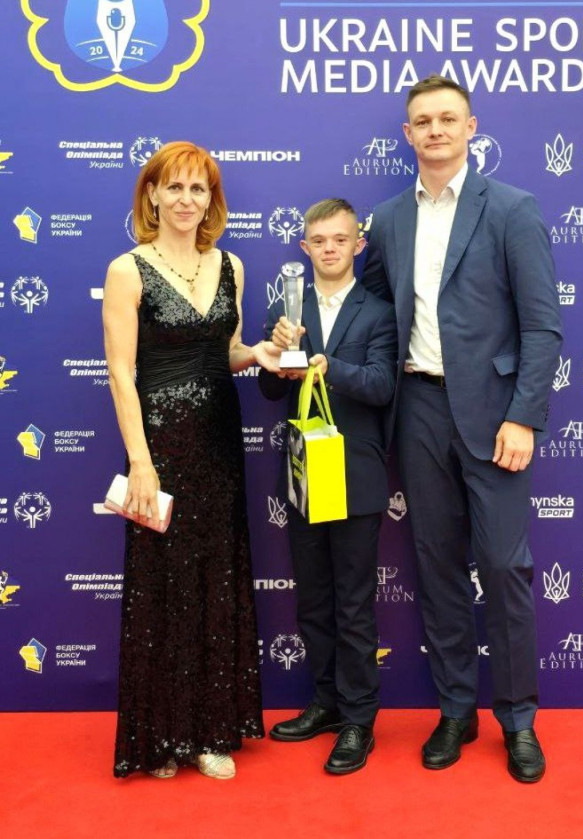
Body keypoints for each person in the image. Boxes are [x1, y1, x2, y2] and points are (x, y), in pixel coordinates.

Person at [362, 76, 562, 783]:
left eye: (448, 118)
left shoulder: (511, 208)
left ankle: (518, 720)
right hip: (417, 409)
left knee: (504, 568)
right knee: (437, 563)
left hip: (496, 416)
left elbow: (542, 326)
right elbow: (370, 313)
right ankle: (455, 709)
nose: (436, 130)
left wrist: (524, 415)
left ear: (471, 127)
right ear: (408, 135)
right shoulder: (388, 219)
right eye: (423, 121)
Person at [103, 141, 280, 779]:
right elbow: (121, 373)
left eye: (197, 189)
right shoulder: (127, 270)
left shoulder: (231, 265)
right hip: (161, 445)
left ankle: (208, 732)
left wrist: (257, 354)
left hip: (220, 444)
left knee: (215, 577)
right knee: (165, 585)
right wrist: (141, 463)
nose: (185, 200)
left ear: (212, 200)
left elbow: (223, 351)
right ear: (151, 195)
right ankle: (162, 737)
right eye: (173, 187)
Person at [260, 199, 397, 775]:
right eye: (319, 240)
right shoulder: (286, 309)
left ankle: (359, 719)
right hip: (305, 475)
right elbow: (271, 393)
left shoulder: (380, 311)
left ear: (358, 244)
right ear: (304, 248)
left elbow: (382, 385)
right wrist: (276, 356)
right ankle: (327, 702)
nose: (330, 248)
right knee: (314, 599)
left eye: (340, 239)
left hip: (356, 475)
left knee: (354, 603)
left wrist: (327, 367)